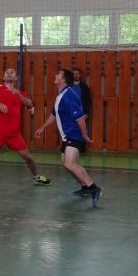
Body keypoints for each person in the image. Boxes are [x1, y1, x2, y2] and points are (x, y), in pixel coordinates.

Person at [35, 69, 102, 205]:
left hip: (74, 135)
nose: (55, 75)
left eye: (58, 74)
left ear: (63, 79)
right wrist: (42, 128)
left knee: (69, 163)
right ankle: (85, 187)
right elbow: (54, 115)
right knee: (66, 164)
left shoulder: (69, 95)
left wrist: (84, 135)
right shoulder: (60, 95)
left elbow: (80, 118)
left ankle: (94, 188)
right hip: (66, 136)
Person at [0, 68, 51, 188]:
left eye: (12, 73)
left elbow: (30, 105)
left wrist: (20, 96)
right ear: (4, 77)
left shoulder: (20, 93)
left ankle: (36, 177)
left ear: (15, 78)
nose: (9, 74)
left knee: (28, 157)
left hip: (14, 134)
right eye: (7, 72)